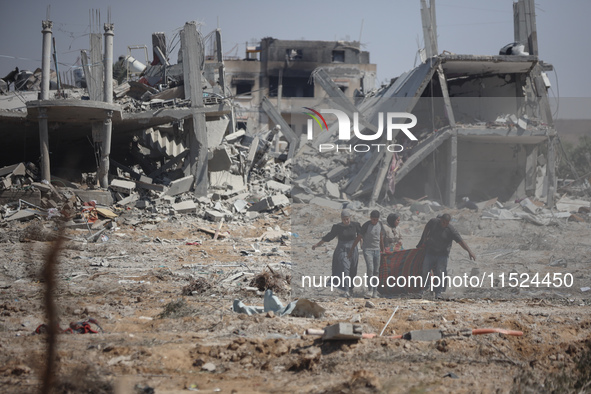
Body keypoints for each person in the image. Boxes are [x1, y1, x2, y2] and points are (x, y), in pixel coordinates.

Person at [417, 213, 476, 299]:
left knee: (440, 272)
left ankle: (438, 292)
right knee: (425, 270)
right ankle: (424, 289)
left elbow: (461, 241)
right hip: (430, 252)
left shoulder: (451, 230)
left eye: (447, 223)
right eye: (443, 222)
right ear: (440, 220)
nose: (444, 224)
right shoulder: (433, 222)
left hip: (442, 254)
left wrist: (469, 251)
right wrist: (424, 239)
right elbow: (427, 227)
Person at [312, 209, 361, 297]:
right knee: (345, 269)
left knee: (353, 270)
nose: (346, 221)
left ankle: (350, 288)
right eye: (344, 219)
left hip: (353, 249)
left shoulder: (355, 225)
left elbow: (361, 235)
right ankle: (345, 290)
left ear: (350, 218)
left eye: (347, 219)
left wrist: (362, 244)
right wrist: (317, 244)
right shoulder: (338, 227)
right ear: (341, 219)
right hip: (342, 249)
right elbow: (329, 236)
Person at [350, 210, 384, 298]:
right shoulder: (366, 225)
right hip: (367, 249)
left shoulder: (380, 224)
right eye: (373, 219)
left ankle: (375, 291)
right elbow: (359, 237)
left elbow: (380, 237)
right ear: (370, 218)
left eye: (376, 219)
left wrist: (383, 249)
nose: (375, 221)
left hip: (377, 250)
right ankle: (370, 290)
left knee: (376, 271)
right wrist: (353, 248)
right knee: (370, 269)